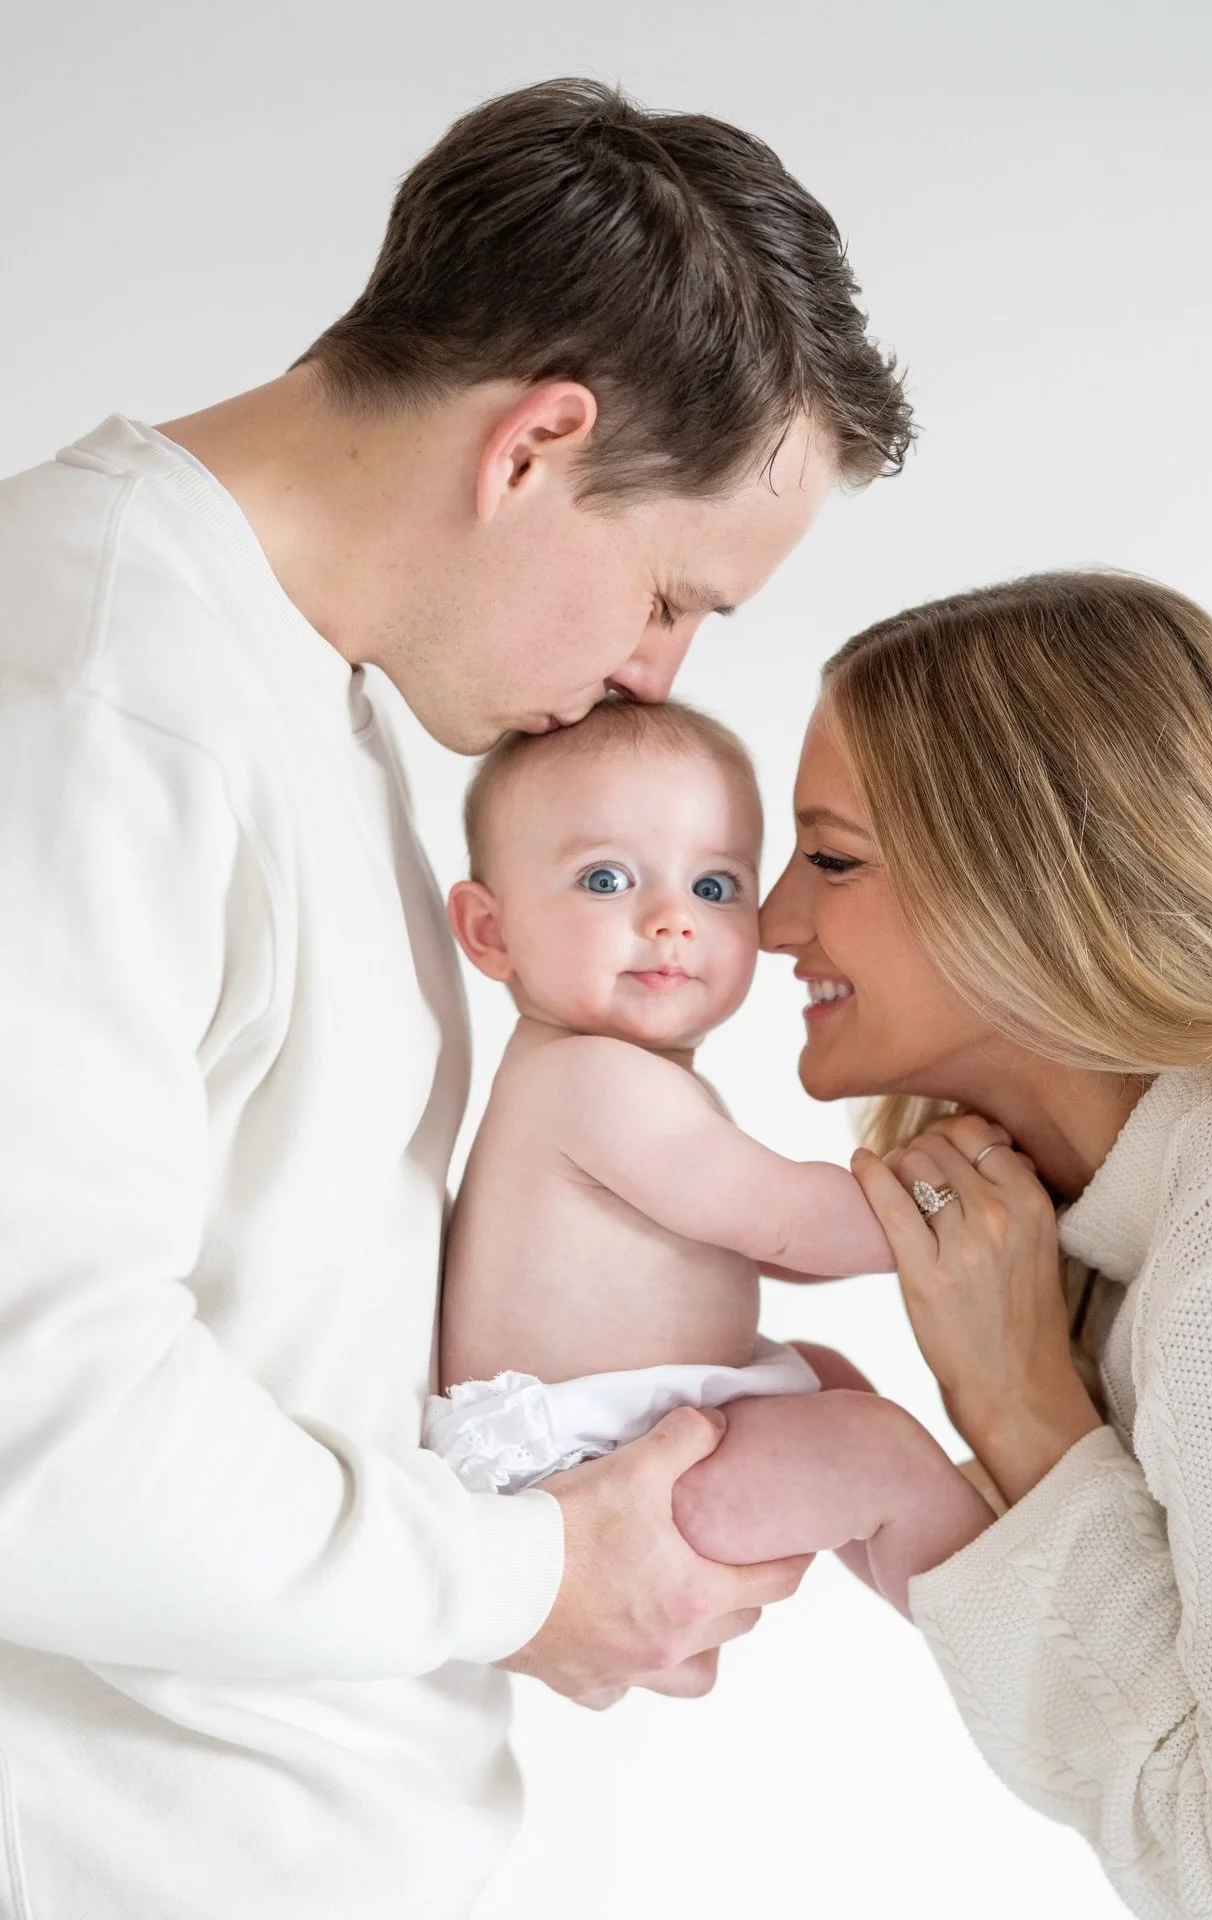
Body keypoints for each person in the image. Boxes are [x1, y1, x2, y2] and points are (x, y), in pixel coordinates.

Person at [0, 79, 911, 1920]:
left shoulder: (281, 678)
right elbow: (35, 1411)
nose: (653, 677)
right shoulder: (96, 689)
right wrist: (527, 1577)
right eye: (672, 596)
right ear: (536, 446)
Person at [761, 569, 1212, 1919]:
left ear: (1031, 879)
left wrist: (1020, 1415)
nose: (775, 918)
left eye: (832, 857)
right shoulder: (1158, 1217)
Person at [424, 697, 990, 1673]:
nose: (673, 919)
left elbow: (759, 1244)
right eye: (607, 879)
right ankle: (1020, 1631)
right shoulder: (590, 1082)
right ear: (491, 932)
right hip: (590, 1481)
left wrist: (860, 1235)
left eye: (717, 884)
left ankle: (959, 1564)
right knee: (872, 1449)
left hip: (631, 1430)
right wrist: (962, 1189)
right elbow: (785, 1222)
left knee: (829, 1384)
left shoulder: (614, 1079)